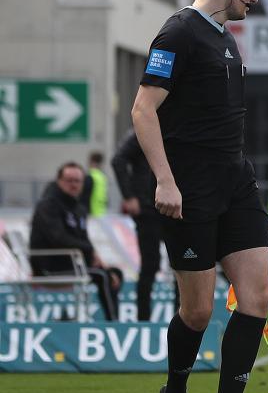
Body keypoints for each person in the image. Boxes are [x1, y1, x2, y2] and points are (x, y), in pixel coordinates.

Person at [131, 0, 268, 393]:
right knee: (197, 312)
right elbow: (143, 110)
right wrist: (165, 181)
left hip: (236, 182)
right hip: (190, 189)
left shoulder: (226, 38)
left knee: (256, 298)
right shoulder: (178, 32)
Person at [30, 162, 122, 321]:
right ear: (59, 181)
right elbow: (58, 239)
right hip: (50, 266)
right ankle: (113, 324)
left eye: (77, 181)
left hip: (72, 262)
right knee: (102, 275)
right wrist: (89, 251)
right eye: (69, 180)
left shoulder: (78, 208)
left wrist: (95, 256)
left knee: (115, 273)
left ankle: (112, 320)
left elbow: (83, 239)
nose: (73, 184)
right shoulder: (48, 205)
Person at [112, 131, 178, 321]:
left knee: (181, 264)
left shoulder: (178, 129)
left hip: (174, 207)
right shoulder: (145, 131)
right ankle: (143, 319)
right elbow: (118, 160)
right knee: (150, 265)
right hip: (148, 209)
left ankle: (182, 318)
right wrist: (129, 196)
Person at [79, 151, 109, 217]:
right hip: (101, 212)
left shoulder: (90, 176)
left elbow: (84, 196)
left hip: (91, 213)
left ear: (91, 161)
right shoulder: (102, 177)